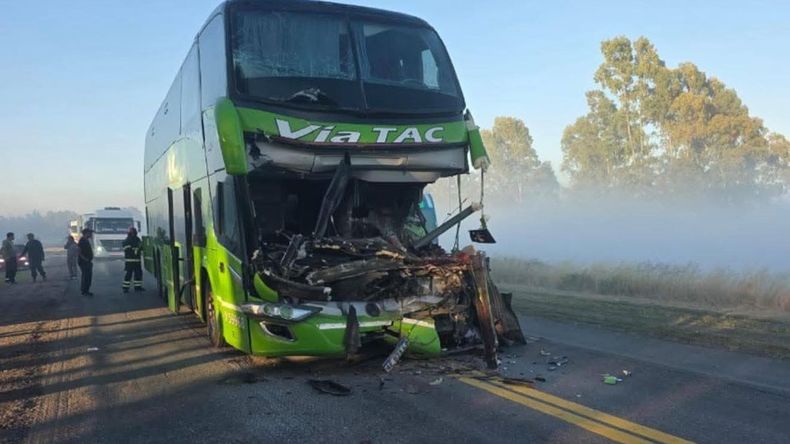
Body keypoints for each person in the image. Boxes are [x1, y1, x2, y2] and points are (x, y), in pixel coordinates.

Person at [122, 227, 144, 293]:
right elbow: (127, 249)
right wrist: (135, 250)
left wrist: (139, 249)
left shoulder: (137, 239)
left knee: (138, 274)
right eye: (133, 232)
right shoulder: (127, 240)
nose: (134, 233)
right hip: (130, 261)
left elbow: (141, 247)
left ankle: (137, 287)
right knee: (129, 274)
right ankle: (125, 288)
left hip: (136, 261)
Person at [78, 228, 94, 296]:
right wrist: (85, 259)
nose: (91, 234)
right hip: (84, 262)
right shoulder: (82, 241)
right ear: (86, 233)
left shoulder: (86, 240)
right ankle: (84, 291)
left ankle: (86, 290)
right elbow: (79, 252)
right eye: (90, 233)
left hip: (87, 261)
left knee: (88, 276)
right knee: (86, 276)